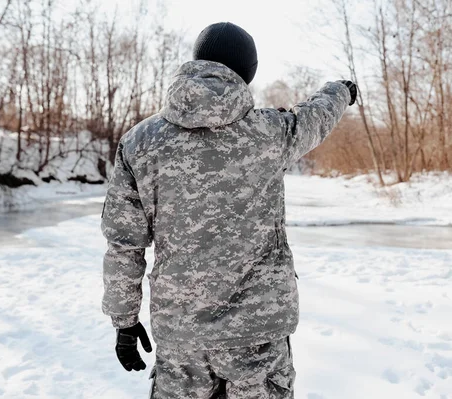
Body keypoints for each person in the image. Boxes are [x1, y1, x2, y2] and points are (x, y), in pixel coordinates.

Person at [101, 21, 357, 399]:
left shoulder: (139, 143)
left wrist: (124, 321)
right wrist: (341, 90)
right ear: (247, 72)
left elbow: (124, 243)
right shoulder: (271, 133)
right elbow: (316, 116)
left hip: (181, 333)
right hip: (259, 333)